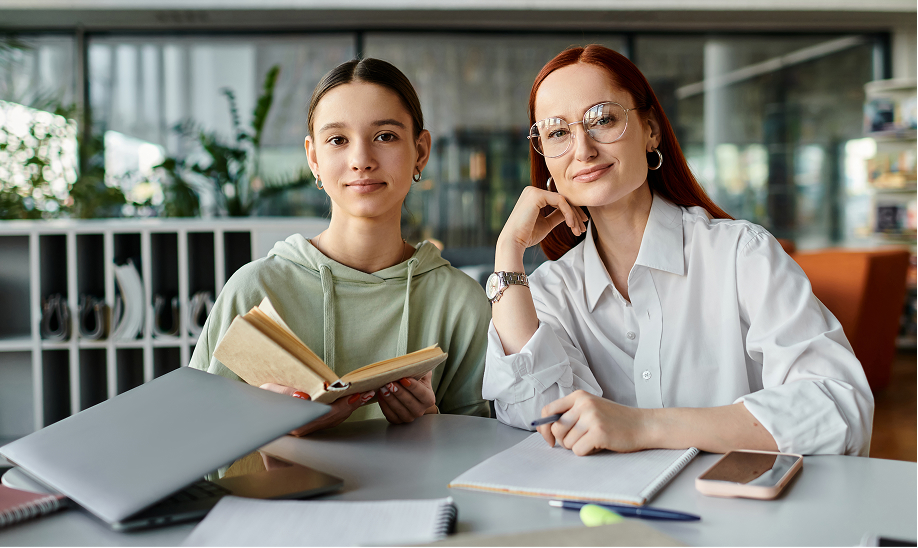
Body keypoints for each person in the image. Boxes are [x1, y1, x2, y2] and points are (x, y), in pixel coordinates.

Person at [483, 45, 873, 456]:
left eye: (603, 119)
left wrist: (644, 426)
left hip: (743, 508)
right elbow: (534, 415)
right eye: (558, 132)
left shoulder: (741, 255)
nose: (582, 149)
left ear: (650, 129)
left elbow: (837, 406)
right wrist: (508, 250)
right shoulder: (549, 291)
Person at [191, 58, 491, 436]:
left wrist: (430, 426)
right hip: (273, 497)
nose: (361, 160)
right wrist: (266, 432)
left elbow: (483, 456)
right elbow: (195, 442)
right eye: (337, 140)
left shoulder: (461, 302)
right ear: (313, 157)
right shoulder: (253, 290)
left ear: (421, 151)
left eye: (385, 136)